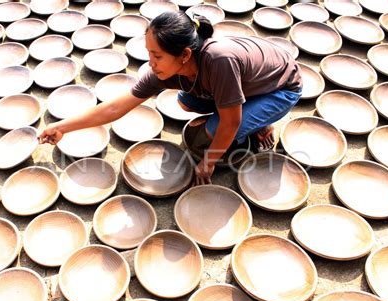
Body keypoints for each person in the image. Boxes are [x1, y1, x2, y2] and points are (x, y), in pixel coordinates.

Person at [39, 11, 302, 185]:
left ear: (185, 55)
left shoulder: (219, 61)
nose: (150, 63)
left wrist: (207, 163)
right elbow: (115, 108)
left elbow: (230, 123)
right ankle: (251, 113)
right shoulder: (164, 71)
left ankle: (262, 121)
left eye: (158, 56)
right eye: (149, 53)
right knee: (185, 102)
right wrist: (62, 127)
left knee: (210, 140)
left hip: (280, 88)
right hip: (246, 82)